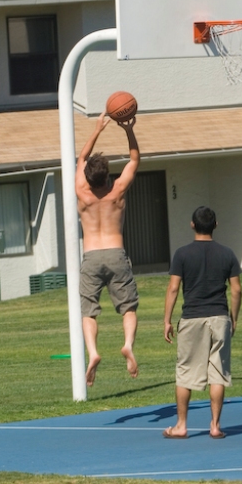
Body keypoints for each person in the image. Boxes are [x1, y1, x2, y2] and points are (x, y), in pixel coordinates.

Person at [162, 206, 241, 440]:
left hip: (192, 317)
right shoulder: (227, 253)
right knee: (218, 372)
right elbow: (236, 290)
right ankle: (215, 425)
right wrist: (233, 317)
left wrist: (167, 320)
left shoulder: (182, 254)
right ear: (215, 225)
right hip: (219, 316)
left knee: (185, 371)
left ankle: (181, 425)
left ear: (192, 225)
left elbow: (173, 287)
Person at [76, 112, 141, 387]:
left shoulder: (82, 192)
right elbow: (134, 159)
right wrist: (128, 129)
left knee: (88, 311)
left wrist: (97, 129)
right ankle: (127, 344)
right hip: (116, 253)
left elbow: (81, 158)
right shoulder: (117, 192)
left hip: (91, 256)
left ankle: (93, 352)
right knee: (128, 308)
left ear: (88, 177)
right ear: (107, 177)